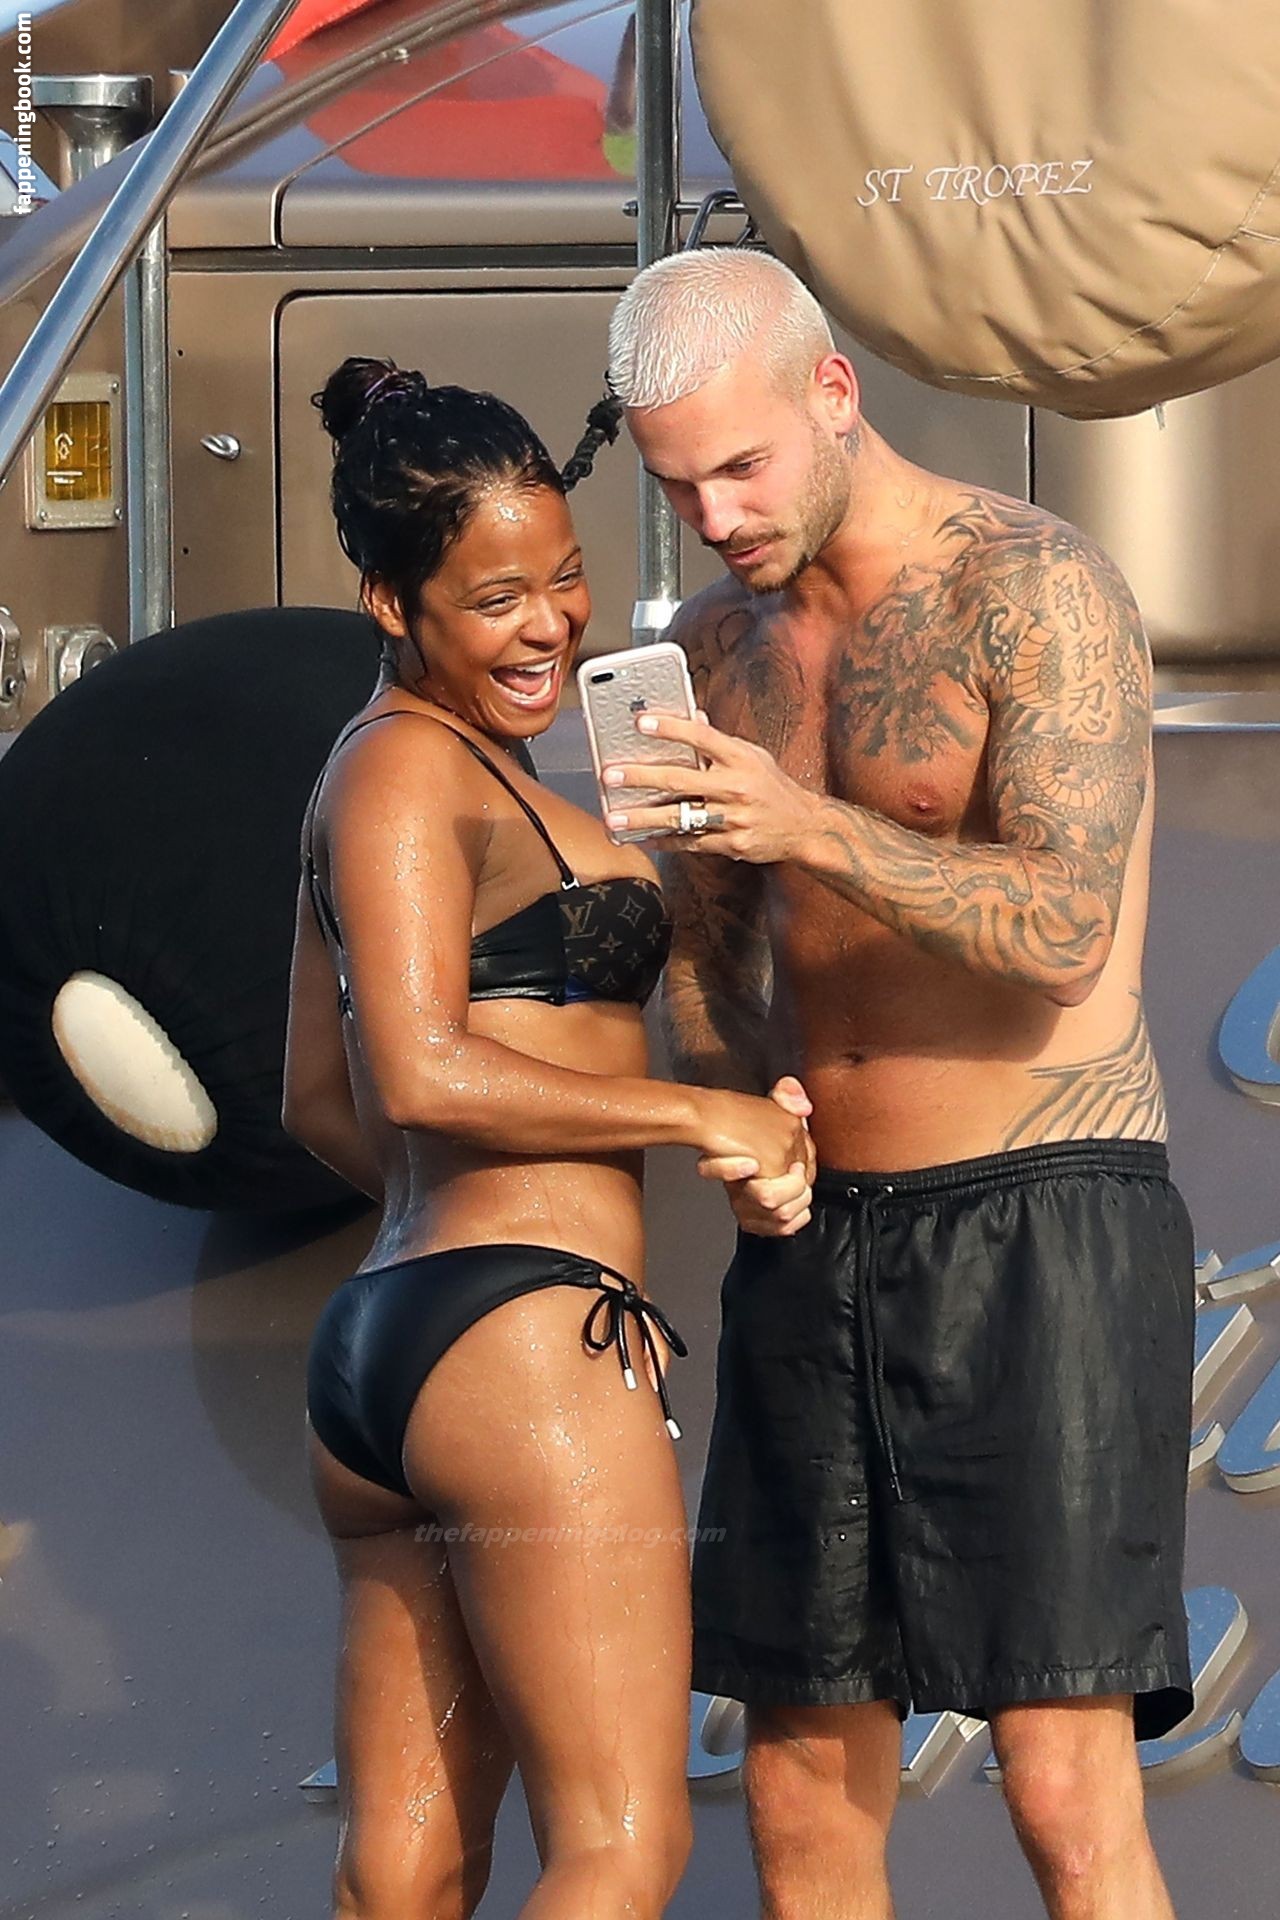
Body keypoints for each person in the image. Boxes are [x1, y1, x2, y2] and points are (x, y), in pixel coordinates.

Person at [603, 251, 1197, 1920]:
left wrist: (810, 825)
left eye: (741, 467)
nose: (716, 517)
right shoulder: (712, 647)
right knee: (796, 1784)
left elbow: (1067, 928)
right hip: (817, 1241)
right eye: (678, 486)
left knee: (1062, 1781)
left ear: (834, 392)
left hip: (1042, 1216)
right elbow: (709, 959)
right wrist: (734, 1109)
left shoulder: (1035, 586)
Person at [281, 355, 813, 1920]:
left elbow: (310, 1094)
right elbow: (415, 1075)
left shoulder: (388, 772)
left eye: (565, 578)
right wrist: (691, 1116)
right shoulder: (401, 772)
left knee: (406, 1871)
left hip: (392, 1350)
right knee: (623, 1847)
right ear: (391, 603)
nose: (549, 627)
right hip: (525, 1348)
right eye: (495, 599)